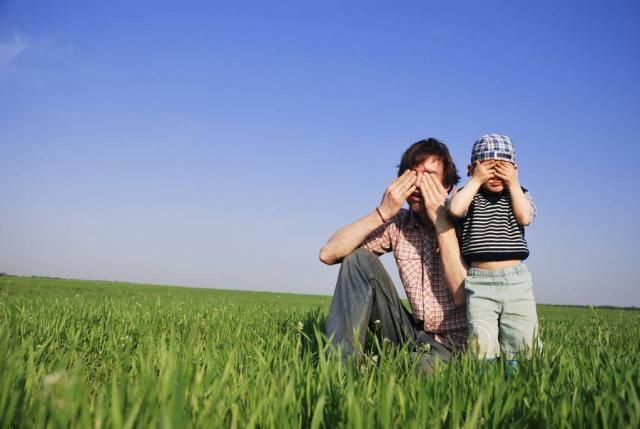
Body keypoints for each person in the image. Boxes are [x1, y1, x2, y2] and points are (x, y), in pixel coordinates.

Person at [319, 138, 468, 369]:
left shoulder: (466, 221)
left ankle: (396, 365)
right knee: (357, 260)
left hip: (457, 346)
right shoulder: (398, 224)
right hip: (413, 335)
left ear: (447, 186)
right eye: (412, 175)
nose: (418, 184)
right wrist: (383, 212)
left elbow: (461, 294)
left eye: (428, 176)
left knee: (418, 370)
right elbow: (328, 254)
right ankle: (339, 370)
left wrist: (441, 222)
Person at [447, 134, 541, 363]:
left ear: (515, 169)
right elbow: (455, 210)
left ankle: (520, 377)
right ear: (472, 169)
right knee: (481, 339)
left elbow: (524, 217)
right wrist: (476, 181)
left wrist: (513, 183)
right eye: (489, 168)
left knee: (522, 338)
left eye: (503, 168)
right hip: (479, 281)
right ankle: (484, 380)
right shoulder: (467, 195)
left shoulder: (519, 194)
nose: (496, 174)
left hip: (515, 280)